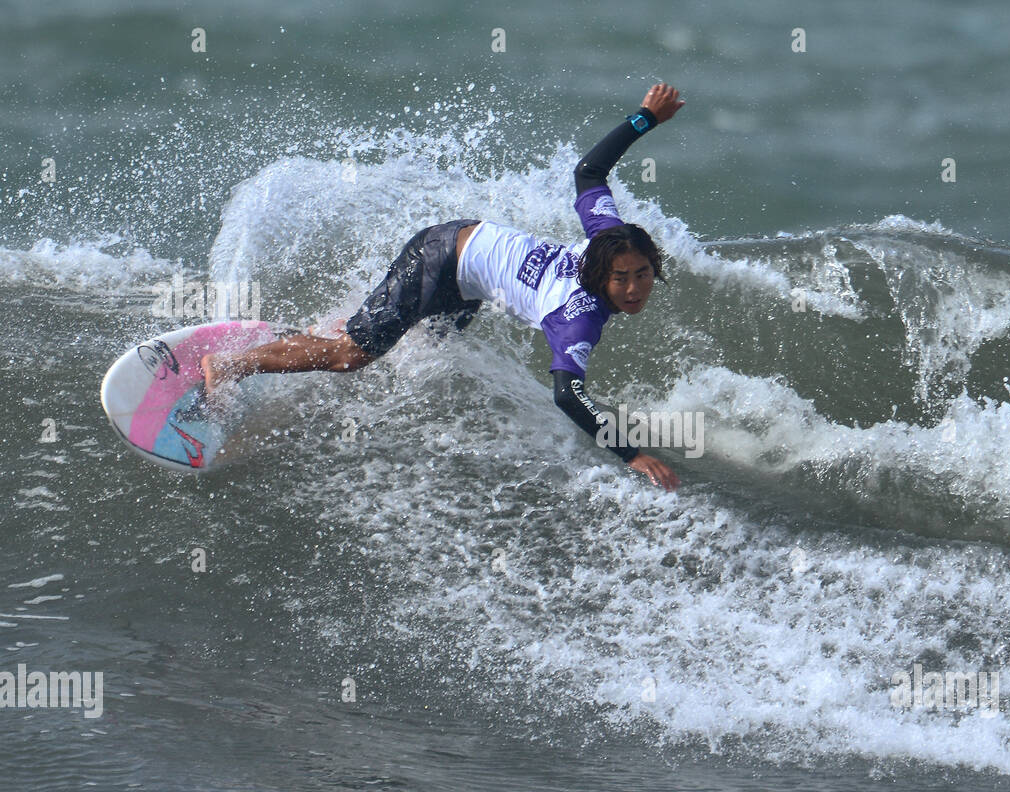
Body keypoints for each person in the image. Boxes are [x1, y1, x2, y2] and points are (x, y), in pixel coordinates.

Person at [202, 83, 685, 489]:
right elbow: (567, 395)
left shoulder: (609, 236)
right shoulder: (576, 317)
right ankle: (229, 366)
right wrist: (629, 454)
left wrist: (646, 118)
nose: (633, 288)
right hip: (440, 263)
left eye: (642, 274)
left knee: (427, 346)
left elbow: (588, 172)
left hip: (467, 268)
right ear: (602, 274)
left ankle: (332, 330)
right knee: (352, 358)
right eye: (621, 279)